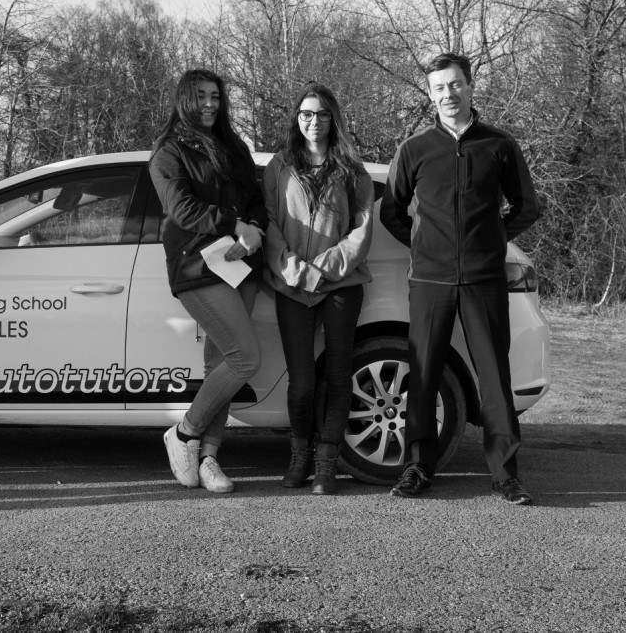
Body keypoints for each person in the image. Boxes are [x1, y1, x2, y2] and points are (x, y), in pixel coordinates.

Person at [380, 53, 539, 505]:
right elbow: (392, 210)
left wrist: (491, 240)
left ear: (470, 87)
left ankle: (505, 475)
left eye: (454, 85)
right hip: (429, 281)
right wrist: (422, 245)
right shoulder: (414, 149)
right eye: (438, 88)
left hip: (484, 279)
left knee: (493, 376)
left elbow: (526, 207)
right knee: (424, 375)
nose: (447, 95)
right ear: (430, 94)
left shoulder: (500, 145)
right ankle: (416, 468)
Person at [149, 69, 267, 494]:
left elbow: (256, 198)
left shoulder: (235, 146)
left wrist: (252, 229)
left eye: (215, 96)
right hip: (197, 268)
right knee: (244, 359)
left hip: (241, 265)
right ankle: (183, 433)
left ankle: (208, 458)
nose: (209, 104)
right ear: (184, 99)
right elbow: (182, 209)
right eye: (200, 96)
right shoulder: (169, 151)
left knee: (222, 366)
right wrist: (234, 224)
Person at [263, 83, 374, 495]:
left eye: (322, 114)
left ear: (333, 119)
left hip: (341, 284)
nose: (313, 121)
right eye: (306, 114)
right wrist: (297, 271)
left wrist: (323, 270)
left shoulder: (351, 168)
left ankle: (327, 461)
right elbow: (270, 225)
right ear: (297, 117)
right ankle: (300, 454)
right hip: (292, 285)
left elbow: (362, 229)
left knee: (340, 375)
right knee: (302, 382)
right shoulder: (279, 166)